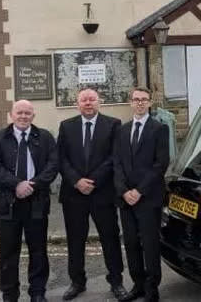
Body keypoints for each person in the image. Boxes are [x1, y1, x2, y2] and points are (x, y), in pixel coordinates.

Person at [58, 89, 127, 300]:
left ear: (99, 102)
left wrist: (92, 181)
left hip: (103, 193)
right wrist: (77, 181)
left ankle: (116, 282)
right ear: (77, 103)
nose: (88, 103)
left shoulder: (113, 124)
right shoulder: (67, 126)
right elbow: (61, 158)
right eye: (84, 100)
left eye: (92, 99)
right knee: (75, 240)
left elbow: (115, 157)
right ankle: (77, 282)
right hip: (74, 194)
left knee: (110, 239)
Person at [0, 99, 58, 302]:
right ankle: (10, 294)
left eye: (28, 113)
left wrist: (32, 185)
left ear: (33, 116)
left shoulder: (45, 137)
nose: (23, 116)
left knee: (38, 251)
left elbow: (52, 167)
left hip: (36, 202)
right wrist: (17, 184)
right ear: (12, 114)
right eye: (19, 112)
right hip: (8, 203)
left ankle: (37, 292)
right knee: (8, 253)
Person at [113, 86, 170, 302]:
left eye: (143, 100)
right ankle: (137, 284)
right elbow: (116, 163)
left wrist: (139, 191)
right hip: (126, 199)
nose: (139, 103)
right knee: (131, 243)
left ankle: (151, 289)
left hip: (148, 197)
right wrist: (124, 191)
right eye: (136, 99)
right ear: (130, 102)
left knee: (150, 244)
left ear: (150, 103)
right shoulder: (122, 130)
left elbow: (160, 164)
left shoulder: (159, 129)